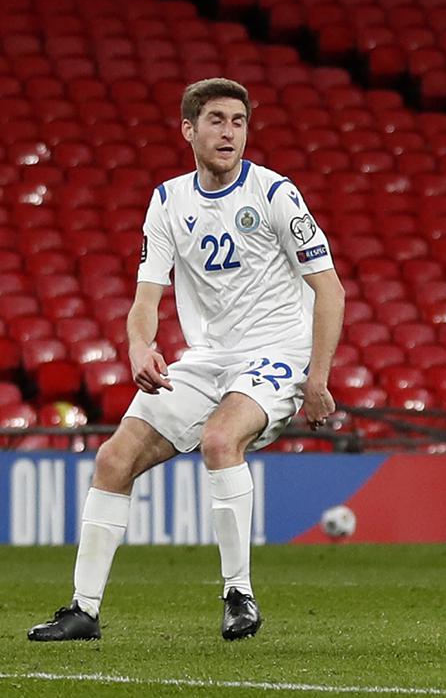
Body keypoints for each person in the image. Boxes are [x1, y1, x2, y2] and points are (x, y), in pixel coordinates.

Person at [28, 78, 345, 641]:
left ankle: (238, 594)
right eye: (217, 120)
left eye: (239, 122)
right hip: (208, 357)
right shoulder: (169, 200)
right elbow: (146, 297)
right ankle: (83, 609)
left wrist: (316, 377)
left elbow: (330, 290)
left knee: (222, 440)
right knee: (112, 459)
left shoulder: (275, 194)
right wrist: (138, 346)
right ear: (189, 130)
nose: (229, 132)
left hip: (275, 352)